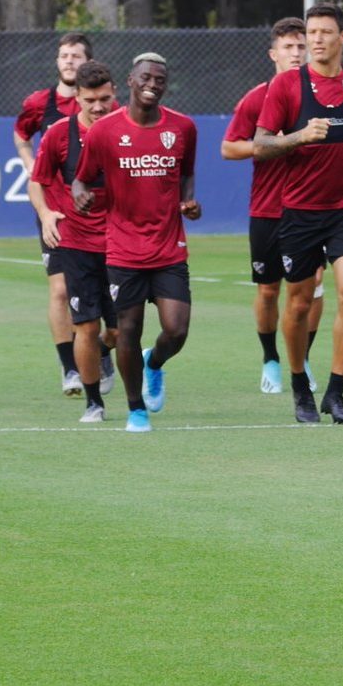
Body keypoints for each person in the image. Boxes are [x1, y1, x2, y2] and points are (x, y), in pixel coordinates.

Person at [253, 3, 343, 424]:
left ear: (342, 38)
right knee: (297, 306)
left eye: (325, 32)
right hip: (298, 211)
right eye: (311, 32)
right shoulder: (286, 87)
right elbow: (260, 144)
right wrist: (298, 136)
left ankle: (336, 391)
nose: (315, 40)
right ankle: (298, 383)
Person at [72, 55, 200, 433]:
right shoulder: (104, 131)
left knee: (176, 330)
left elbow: (187, 173)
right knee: (127, 329)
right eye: (146, 77)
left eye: (160, 79)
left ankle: (154, 363)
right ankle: (136, 409)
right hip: (124, 249)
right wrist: (80, 195)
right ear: (130, 80)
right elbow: (82, 179)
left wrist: (188, 201)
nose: (153, 84)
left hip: (168, 246)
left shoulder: (183, 127)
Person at [223, 18, 326, 395]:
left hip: (312, 209)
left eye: (301, 46)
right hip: (268, 210)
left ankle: (304, 359)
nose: (296, 53)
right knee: (269, 291)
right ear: (273, 54)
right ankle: (270, 358)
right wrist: (272, 144)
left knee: (313, 287)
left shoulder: (322, 93)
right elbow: (229, 147)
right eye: (288, 47)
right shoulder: (258, 97)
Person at [32, 63, 122, 421]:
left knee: (115, 331)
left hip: (120, 243)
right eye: (90, 101)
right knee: (85, 324)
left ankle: (104, 351)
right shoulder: (58, 134)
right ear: (78, 98)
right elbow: (37, 181)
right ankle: (93, 403)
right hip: (76, 242)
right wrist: (45, 214)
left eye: (104, 99)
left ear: (114, 91)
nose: (98, 107)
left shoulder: (127, 128)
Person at [13, 32, 100, 394]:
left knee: (104, 292)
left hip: (96, 212)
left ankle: (99, 352)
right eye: (64, 56)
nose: (68, 61)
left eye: (76, 56)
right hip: (55, 210)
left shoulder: (99, 104)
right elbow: (21, 134)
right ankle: (70, 369)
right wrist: (32, 167)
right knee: (60, 289)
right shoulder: (40, 103)